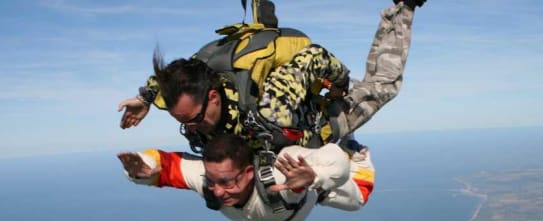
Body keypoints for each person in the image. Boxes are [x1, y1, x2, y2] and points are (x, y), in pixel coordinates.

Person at [117, 0, 426, 153]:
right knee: (264, 26)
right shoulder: (190, 90)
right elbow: (168, 80)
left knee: (384, 86)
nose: (190, 128)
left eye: (193, 119)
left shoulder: (273, 103)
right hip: (261, 101)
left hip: (322, 115)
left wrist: (340, 88)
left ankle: (404, 8)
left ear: (213, 96)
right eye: (181, 121)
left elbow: (315, 56)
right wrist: (145, 98)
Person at [117, 134, 375, 221]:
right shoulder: (207, 179)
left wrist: (313, 176)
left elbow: (335, 160)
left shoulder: (282, 171)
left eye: (227, 182)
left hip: (309, 188)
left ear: (250, 172)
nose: (217, 191)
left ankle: (356, 149)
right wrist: (143, 167)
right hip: (291, 205)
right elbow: (167, 166)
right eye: (213, 181)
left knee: (358, 200)